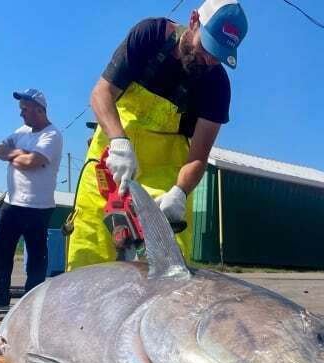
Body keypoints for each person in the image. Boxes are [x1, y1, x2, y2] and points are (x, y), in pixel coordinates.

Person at [66, 0, 248, 270]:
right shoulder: (150, 35)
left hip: (166, 172)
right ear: (194, 19)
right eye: (206, 47)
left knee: (169, 268)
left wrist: (180, 192)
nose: (209, 59)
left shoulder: (217, 86)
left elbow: (198, 156)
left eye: (218, 55)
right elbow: (101, 94)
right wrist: (118, 140)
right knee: (89, 249)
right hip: (112, 161)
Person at [0, 89, 63, 307]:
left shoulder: (52, 135)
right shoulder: (21, 132)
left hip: (38, 206)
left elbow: (32, 162)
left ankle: (31, 300)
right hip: (12, 203)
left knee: (36, 255)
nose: (21, 114)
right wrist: (18, 155)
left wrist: (14, 156)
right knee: (2, 248)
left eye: (25, 109)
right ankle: (1, 295)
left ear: (39, 110)